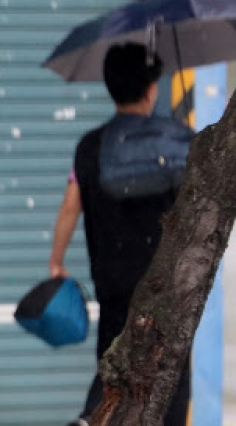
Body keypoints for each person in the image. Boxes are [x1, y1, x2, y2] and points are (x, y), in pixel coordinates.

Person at [47, 43, 194, 426]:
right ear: (151, 89)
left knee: (115, 376)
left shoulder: (91, 147)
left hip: (114, 288)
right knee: (171, 382)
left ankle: (90, 419)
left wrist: (56, 261)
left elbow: (69, 208)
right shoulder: (179, 142)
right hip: (169, 288)